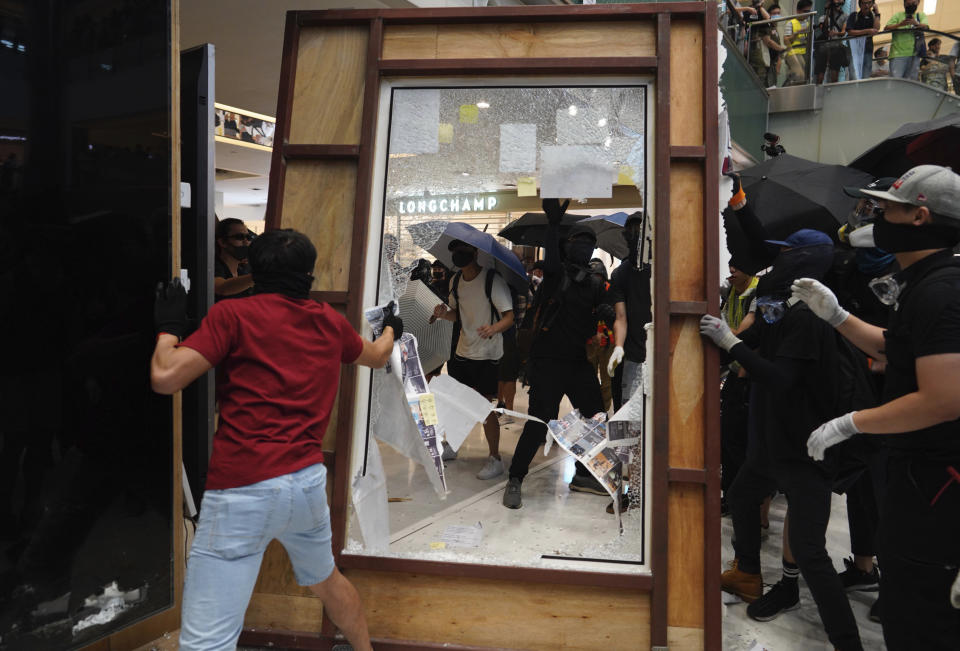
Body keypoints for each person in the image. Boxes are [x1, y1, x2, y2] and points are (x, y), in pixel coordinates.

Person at [150, 228, 402, 651]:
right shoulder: (327, 320)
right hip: (304, 485)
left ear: (251, 270)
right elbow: (377, 357)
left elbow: (165, 377)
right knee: (328, 581)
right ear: (309, 274)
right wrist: (391, 328)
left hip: (240, 488)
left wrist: (168, 328)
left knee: (206, 641)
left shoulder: (233, 316)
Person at [793, 165, 960, 650]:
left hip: (938, 484)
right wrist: (839, 316)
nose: (874, 217)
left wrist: (850, 423)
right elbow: (896, 348)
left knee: (921, 618)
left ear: (920, 217)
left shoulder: (942, 291)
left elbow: (943, 399)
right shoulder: (924, 282)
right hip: (916, 477)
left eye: (886, 208)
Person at [701, 228, 865, 651]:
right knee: (740, 496)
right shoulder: (784, 305)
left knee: (811, 552)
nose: (777, 264)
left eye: (787, 255)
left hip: (805, 450)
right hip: (774, 444)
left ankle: (847, 642)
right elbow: (760, 346)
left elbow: (780, 378)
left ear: (806, 260)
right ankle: (749, 574)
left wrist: (732, 343)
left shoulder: (810, 318)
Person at [503, 199, 614, 509]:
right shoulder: (555, 276)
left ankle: (583, 473)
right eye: (580, 243)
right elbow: (551, 262)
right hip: (548, 362)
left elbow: (593, 321)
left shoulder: (593, 284)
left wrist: (603, 312)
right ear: (569, 246)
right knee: (539, 423)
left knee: (595, 419)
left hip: (578, 363)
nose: (585, 249)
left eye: (590, 245)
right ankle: (515, 478)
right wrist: (552, 227)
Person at [431, 239, 514, 479]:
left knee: (484, 406)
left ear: (475, 252)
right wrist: (443, 314)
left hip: (487, 354)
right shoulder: (455, 280)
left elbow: (509, 317)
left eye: (463, 250)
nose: (458, 255)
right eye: (455, 251)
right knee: (459, 403)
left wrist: (493, 328)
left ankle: (495, 458)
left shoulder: (492, 280)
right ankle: (453, 445)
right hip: (463, 351)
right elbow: (457, 315)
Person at [718, 264, 757, 515]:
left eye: (738, 266)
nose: (731, 270)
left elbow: (745, 335)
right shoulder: (730, 294)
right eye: (730, 266)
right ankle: (731, 497)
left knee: (745, 444)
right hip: (735, 373)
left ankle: (748, 504)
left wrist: (722, 332)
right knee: (729, 441)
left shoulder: (756, 294)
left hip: (753, 376)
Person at [606, 212, 652, 411]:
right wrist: (618, 346)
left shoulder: (663, 268)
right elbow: (621, 317)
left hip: (661, 352)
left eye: (640, 233)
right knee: (629, 414)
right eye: (632, 233)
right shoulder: (621, 273)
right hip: (633, 355)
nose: (636, 237)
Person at [585, 258, 614, 413]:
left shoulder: (612, 291)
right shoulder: (584, 292)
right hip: (590, 342)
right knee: (588, 380)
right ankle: (591, 412)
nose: (596, 281)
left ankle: (602, 413)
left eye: (599, 278)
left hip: (609, 343)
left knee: (607, 381)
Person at [884, 0, 929, 80]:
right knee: (896, 82)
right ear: (904, 4)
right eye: (908, 4)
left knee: (911, 82)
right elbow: (886, 28)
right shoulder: (898, 15)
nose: (911, 5)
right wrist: (900, 24)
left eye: (913, 3)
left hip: (914, 54)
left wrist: (916, 23)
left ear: (918, 3)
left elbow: (926, 27)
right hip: (897, 54)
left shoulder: (920, 15)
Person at [214, 218, 254, 300]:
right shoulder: (213, 266)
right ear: (222, 242)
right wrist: (261, 276)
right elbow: (221, 288)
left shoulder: (243, 271)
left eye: (248, 237)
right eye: (239, 237)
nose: (246, 242)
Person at [814, 0, 849, 85]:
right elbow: (824, 30)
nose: (837, 4)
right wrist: (827, 11)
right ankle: (818, 93)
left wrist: (835, 33)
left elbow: (843, 32)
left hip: (836, 46)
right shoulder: (823, 17)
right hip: (823, 46)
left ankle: (834, 92)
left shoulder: (845, 16)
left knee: (834, 74)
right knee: (820, 74)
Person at [846, 0, 881, 80]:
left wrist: (877, 13)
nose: (867, 5)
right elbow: (850, 31)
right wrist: (867, 31)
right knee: (854, 73)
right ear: (860, 4)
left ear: (873, 4)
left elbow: (876, 29)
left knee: (866, 74)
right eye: (864, 3)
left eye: (869, 3)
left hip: (868, 49)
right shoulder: (854, 16)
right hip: (855, 50)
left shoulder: (873, 16)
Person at [783, 0, 814, 86]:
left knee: (804, 78)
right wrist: (797, 33)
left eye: (809, 11)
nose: (807, 14)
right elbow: (786, 41)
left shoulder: (807, 23)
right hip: (793, 53)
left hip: (805, 53)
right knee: (800, 76)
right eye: (805, 11)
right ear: (798, 11)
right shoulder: (791, 23)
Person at [764, 5, 787, 88]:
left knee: (773, 85)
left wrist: (779, 62)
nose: (777, 15)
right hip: (767, 63)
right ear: (769, 14)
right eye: (774, 13)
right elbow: (768, 42)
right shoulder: (766, 26)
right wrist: (782, 49)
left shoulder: (775, 28)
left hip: (774, 63)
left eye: (778, 13)